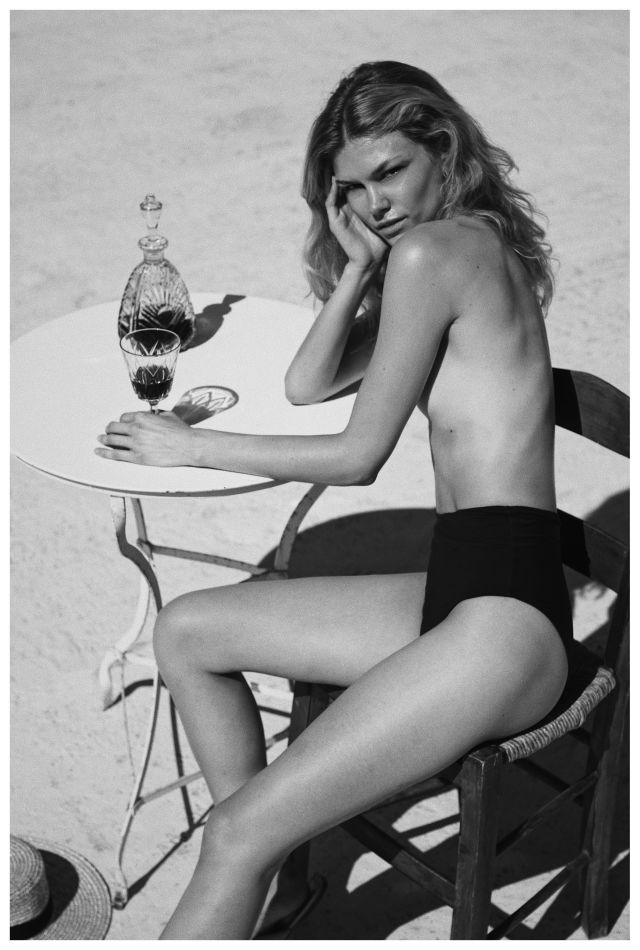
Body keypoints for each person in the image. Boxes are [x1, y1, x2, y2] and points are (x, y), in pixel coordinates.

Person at [96, 61, 572, 939]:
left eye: (391, 172)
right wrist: (355, 271)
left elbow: (357, 458)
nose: (374, 204)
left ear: (444, 148)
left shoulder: (437, 253)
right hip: (470, 587)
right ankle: (276, 884)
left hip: (505, 630)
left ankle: (252, 858)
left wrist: (189, 444)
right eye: (351, 188)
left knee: (234, 833)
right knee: (188, 631)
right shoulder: (450, 248)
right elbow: (309, 382)